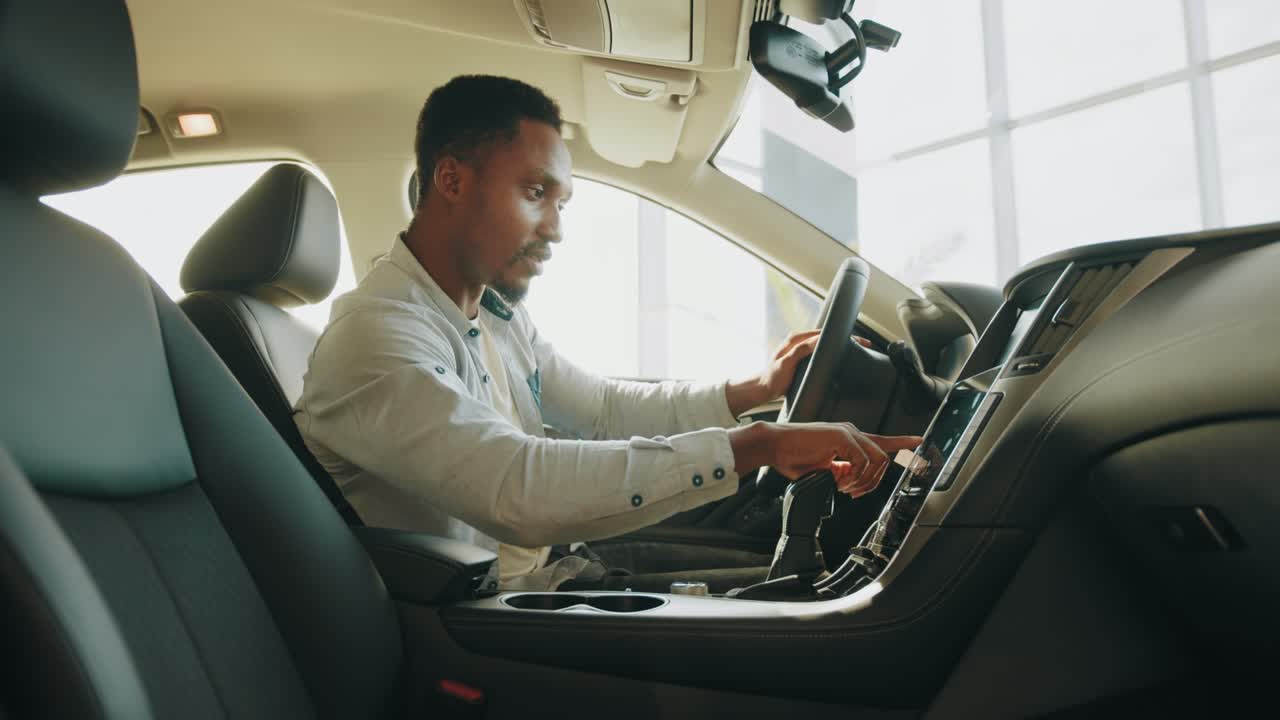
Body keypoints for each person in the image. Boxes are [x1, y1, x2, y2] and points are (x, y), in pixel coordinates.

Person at [295, 75, 921, 591]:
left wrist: (754, 388)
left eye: (560, 203)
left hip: (553, 569)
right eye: (535, 192)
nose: (555, 228)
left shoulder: (491, 312)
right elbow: (516, 488)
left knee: (824, 588)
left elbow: (598, 411)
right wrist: (756, 445)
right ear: (452, 181)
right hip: (488, 618)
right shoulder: (378, 334)